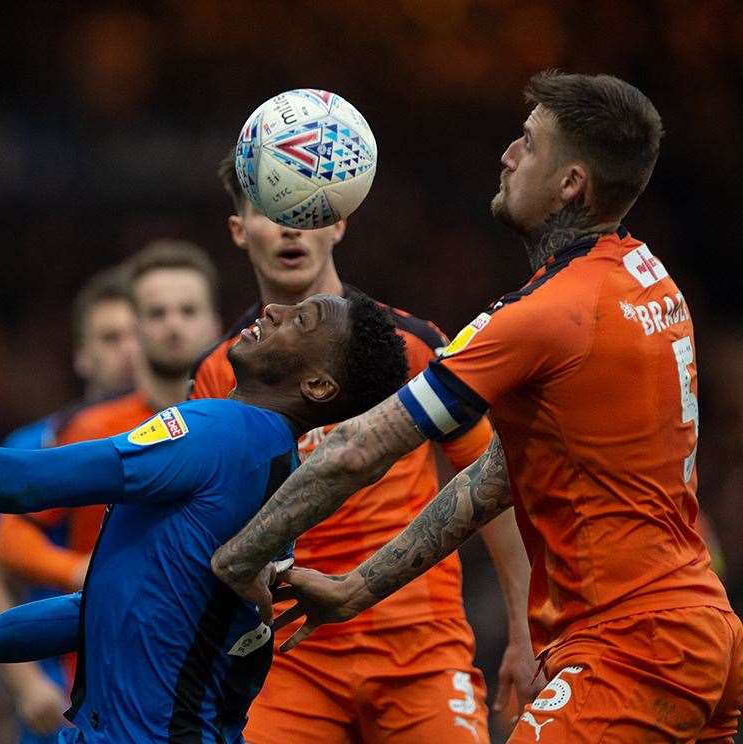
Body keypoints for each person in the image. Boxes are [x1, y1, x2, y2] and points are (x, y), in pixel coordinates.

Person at [210, 72, 743, 742]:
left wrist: (234, 559)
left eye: (527, 143)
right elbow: (495, 477)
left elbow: (358, 450)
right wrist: (356, 587)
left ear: (570, 184)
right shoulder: (646, 277)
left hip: (634, 648)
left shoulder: (544, 316)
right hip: (703, 631)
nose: (507, 156)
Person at [0, 291, 410, 744]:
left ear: (320, 387)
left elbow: (28, 480)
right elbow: (111, 608)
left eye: (300, 320)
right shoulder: (272, 468)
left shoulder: (221, 432)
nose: (272, 310)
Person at [190, 153, 537, 742]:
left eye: (308, 207)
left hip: (420, 647)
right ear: (239, 229)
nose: (290, 225)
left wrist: (527, 632)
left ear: (339, 220)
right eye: (274, 207)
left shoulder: (414, 346)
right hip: (287, 658)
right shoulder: (220, 373)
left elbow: (493, 487)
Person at [0, 240, 223, 714]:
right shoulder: (80, 432)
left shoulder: (243, 422)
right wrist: (77, 570)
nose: (173, 326)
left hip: (220, 675)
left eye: (188, 311)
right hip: (105, 683)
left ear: (216, 324)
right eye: (156, 314)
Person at [0, 264, 139, 743]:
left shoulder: (178, 441)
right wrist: (25, 684)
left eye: (136, 334)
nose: (128, 350)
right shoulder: (35, 444)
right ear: (81, 357)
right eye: (110, 337)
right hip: (58, 690)